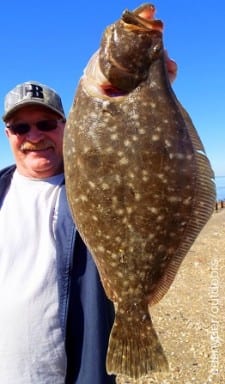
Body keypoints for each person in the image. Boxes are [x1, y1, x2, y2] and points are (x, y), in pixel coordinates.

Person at [0, 55, 177, 384]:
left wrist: (151, 94)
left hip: (79, 371)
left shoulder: (98, 184)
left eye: (47, 124)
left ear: (66, 126)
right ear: (8, 134)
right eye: (21, 127)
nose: (34, 135)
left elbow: (144, 159)